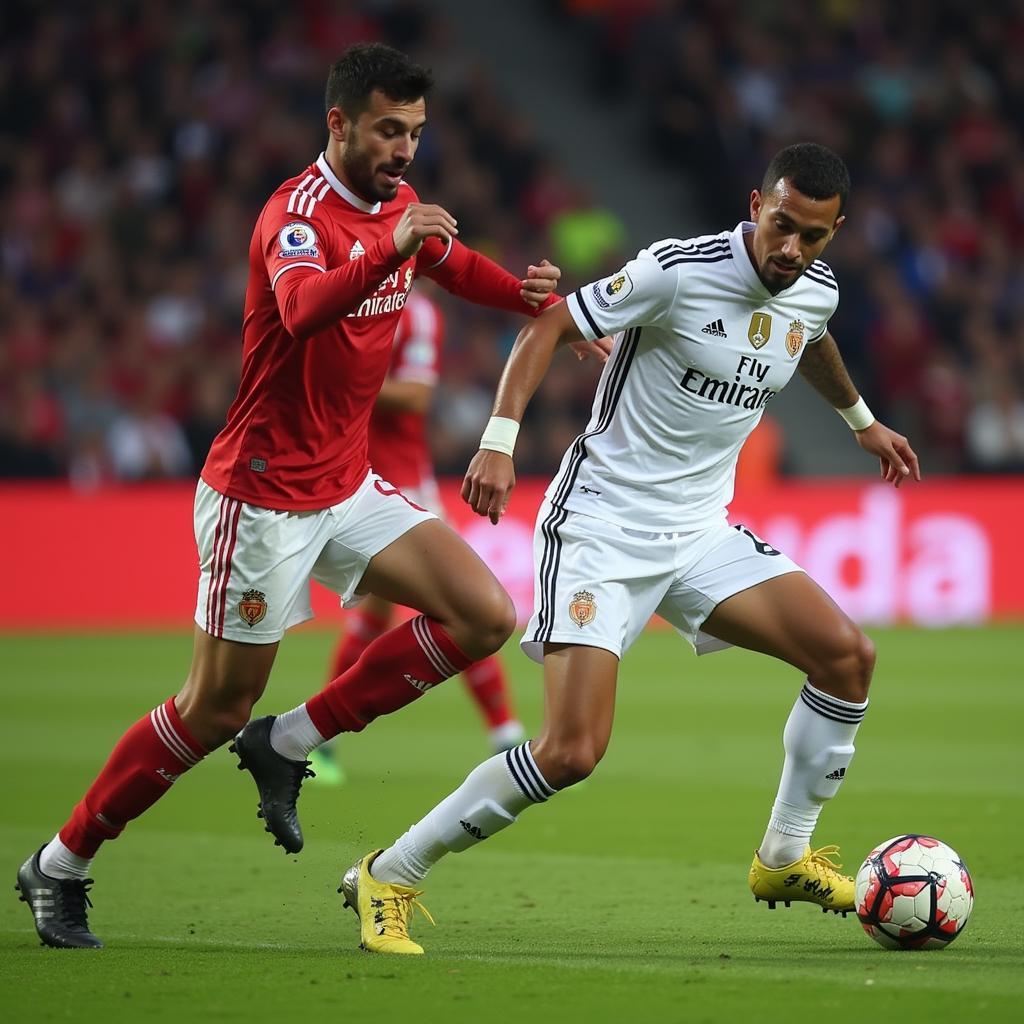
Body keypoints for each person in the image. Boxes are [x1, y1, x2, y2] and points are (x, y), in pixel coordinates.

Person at [16, 42, 605, 950]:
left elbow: (452, 264)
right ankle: (61, 863)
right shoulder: (295, 218)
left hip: (346, 482)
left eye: (413, 132)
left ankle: (289, 740)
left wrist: (535, 308)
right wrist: (389, 249)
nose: (404, 149)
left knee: (484, 613)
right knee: (209, 709)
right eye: (386, 130)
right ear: (338, 123)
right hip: (261, 497)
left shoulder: (401, 207)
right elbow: (302, 310)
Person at [338, 143, 922, 955]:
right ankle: (389, 871)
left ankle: (783, 856)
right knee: (572, 751)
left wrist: (864, 425)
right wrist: (499, 441)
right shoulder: (676, 272)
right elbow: (549, 322)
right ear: (756, 205)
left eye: (813, 237)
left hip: (701, 532)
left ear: (835, 233)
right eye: (782, 226)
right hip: (604, 528)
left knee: (847, 657)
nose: (792, 250)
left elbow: (811, 338)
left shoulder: (813, 290)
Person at [310, 286, 524, 786]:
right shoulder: (348, 301)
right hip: (350, 479)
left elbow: (417, 394)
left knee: (458, 605)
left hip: (403, 484)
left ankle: (505, 733)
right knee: (436, 610)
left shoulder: (418, 314)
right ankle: (319, 741)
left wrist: (345, 379)